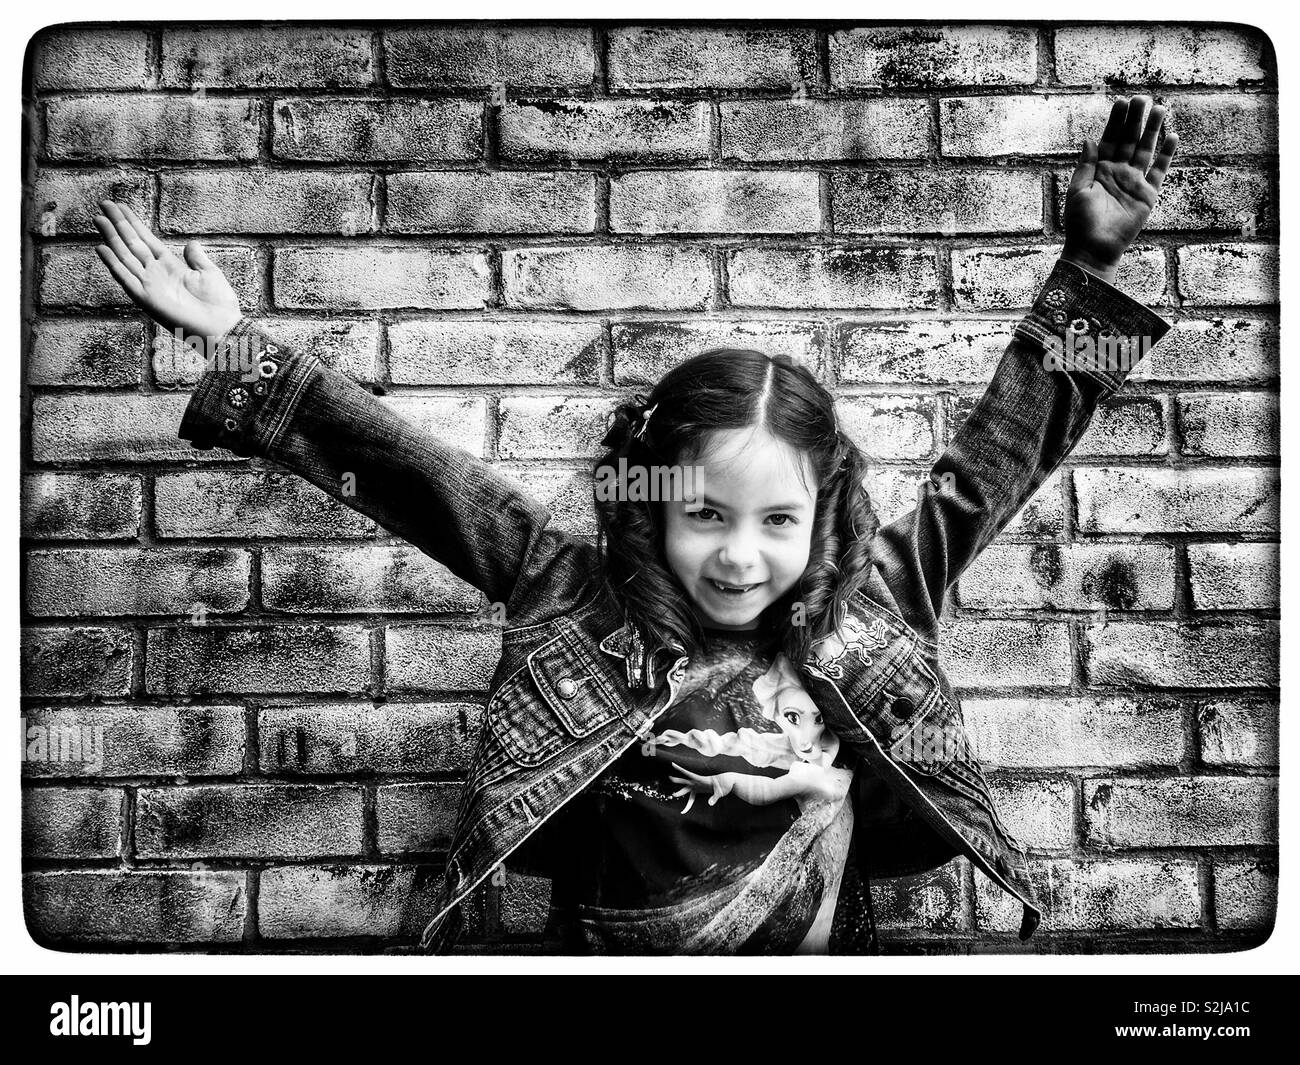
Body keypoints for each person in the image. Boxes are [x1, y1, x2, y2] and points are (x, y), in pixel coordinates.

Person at [91, 95, 1180, 954]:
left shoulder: (876, 600)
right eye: (705, 515)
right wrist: (234, 342)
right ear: (653, 501)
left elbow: (1001, 456)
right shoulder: (574, 592)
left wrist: (1087, 270)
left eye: (778, 520)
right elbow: (414, 473)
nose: (740, 553)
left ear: (823, 513)